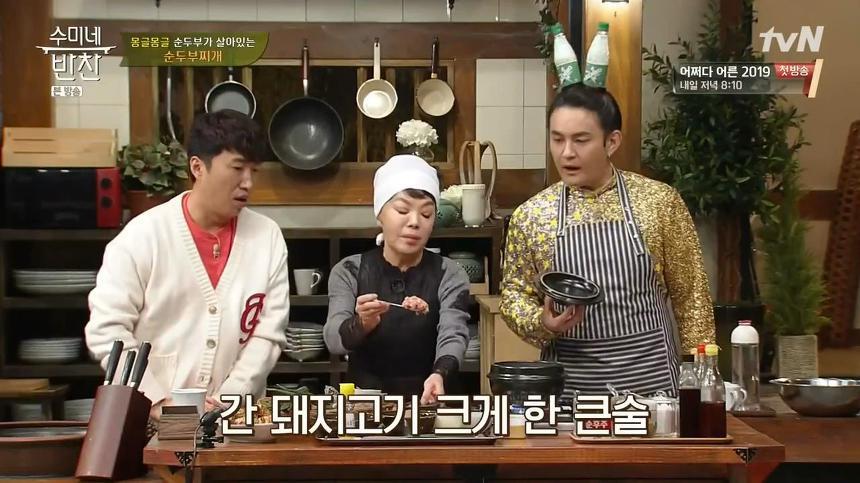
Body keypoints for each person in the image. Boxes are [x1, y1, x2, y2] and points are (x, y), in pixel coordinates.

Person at [500, 84, 716, 399]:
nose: (566, 153)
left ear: (611, 141)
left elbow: (691, 293)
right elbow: (514, 296)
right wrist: (542, 322)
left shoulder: (659, 202)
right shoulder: (532, 215)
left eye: (581, 140)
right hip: (570, 387)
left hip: (651, 382)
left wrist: (702, 379)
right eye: (557, 139)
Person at [85, 110, 289, 420]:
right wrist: (156, 401)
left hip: (234, 421)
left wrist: (227, 400)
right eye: (237, 168)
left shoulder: (266, 236)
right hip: (149, 421)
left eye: (254, 171)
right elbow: (107, 331)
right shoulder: (143, 236)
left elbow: (268, 333)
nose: (247, 182)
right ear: (197, 167)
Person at [323, 155, 470, 404]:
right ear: (379, 213)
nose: (414, 222)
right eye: (402, 210)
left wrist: (440, 374)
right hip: (366, 404)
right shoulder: (349, 270)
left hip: (431, 401)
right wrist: (362, 323)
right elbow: (333, 341)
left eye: (426, 214)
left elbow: (453, 333)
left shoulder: (450, 273)